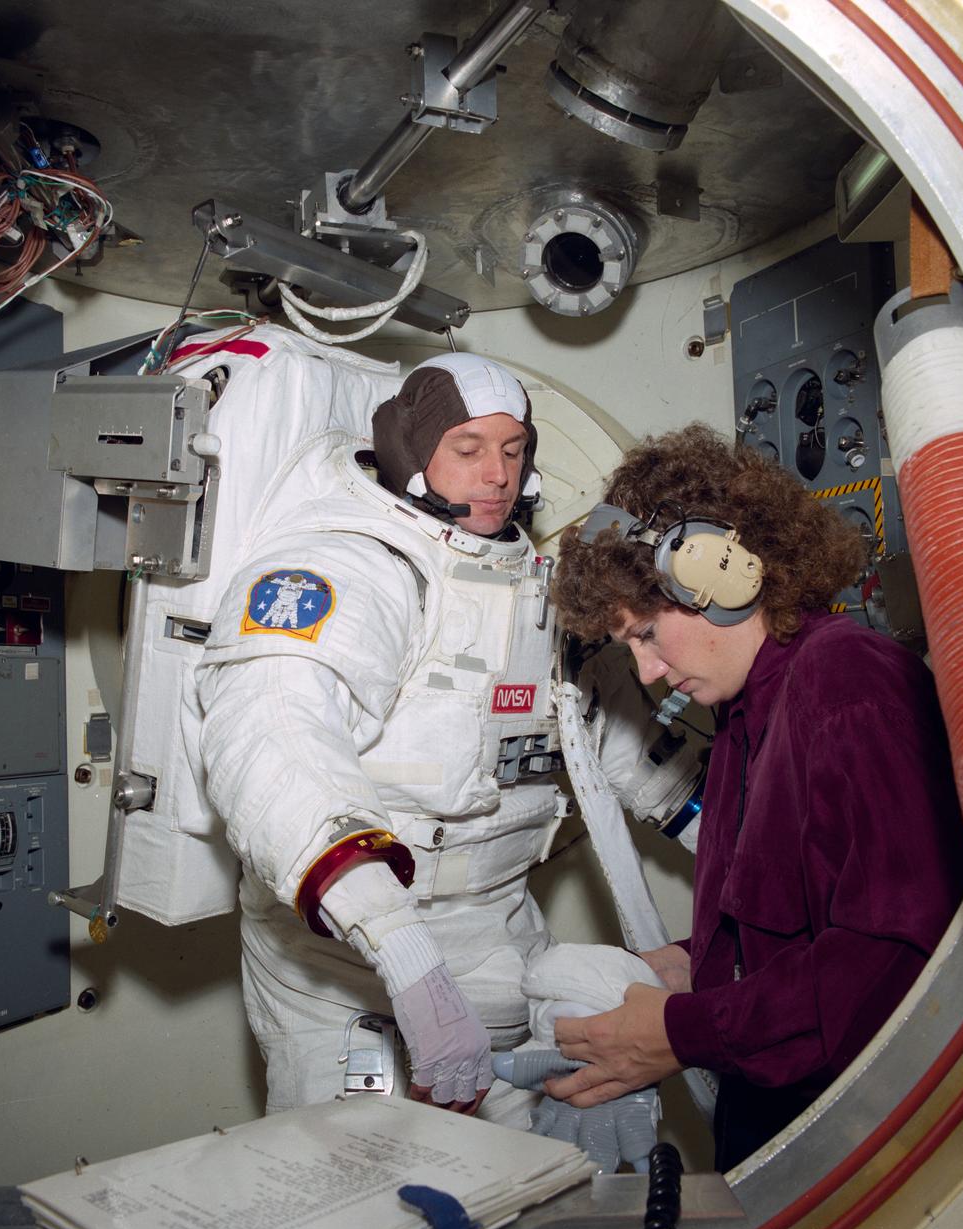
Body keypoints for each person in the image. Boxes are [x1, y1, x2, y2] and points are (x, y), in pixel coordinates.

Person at [194, 354, 702, 1124]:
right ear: (412, 452)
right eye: (467, 449)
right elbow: (273, 744)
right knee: (357, 1204)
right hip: (349, 964)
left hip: (498, 944)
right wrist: (403, 953)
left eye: (512, 449)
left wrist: (765, 853)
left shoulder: (541, 586)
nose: (495, 474)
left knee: (531, 1192)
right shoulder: (342, 568)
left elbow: (625, 751)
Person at [539, 423, 963, 1168]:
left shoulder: (847, 687)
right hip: (780, 1131)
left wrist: (681, 1034)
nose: (645, 673)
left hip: (860, 1139)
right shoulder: (746, 714)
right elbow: (789, 933)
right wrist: (686, 969)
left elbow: (890, 970)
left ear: (722, 572)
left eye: (646, 633)